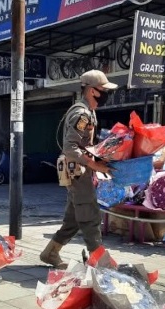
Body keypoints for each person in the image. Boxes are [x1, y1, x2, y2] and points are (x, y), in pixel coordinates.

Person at [40, 70, 116, 269]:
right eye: (104, 90)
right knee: (90, 215)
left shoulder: (89, 112)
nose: (106, 94)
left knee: (73, 220)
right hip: (79, 173)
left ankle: (50, 253)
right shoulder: (81, 113)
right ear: (92, 91)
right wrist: (95, 165)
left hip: (80, 171)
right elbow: (70, 147)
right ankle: (100, 262)